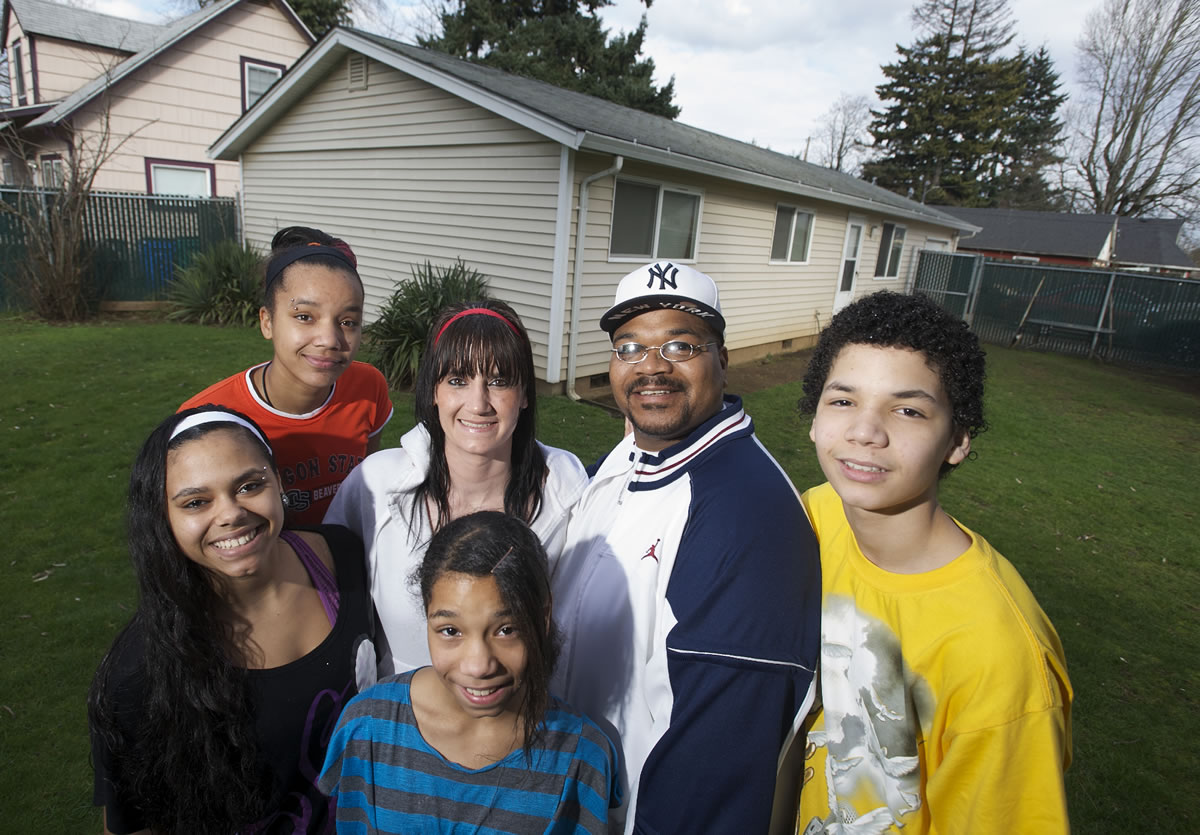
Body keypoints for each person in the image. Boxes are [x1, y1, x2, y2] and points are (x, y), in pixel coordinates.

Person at [551, 261, 821, 833]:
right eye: (630, 347)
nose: (652, 367)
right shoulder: (621, 464)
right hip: (571, 800)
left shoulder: (745, 514)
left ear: (720, 358)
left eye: (679, 344)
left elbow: (716, 767)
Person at [795, 290, 1072, 834]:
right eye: (844, 400)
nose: (865, 432)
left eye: (908, 410)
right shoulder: (815, 518)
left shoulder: (999, 660)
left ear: (959, 439)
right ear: (814, 415)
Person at [88, 406, 378, 835]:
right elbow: (132, 825)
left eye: (249, 485)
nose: (230, 514)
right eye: (196, 502)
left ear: (279, 481)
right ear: (163, 517)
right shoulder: (139, 675)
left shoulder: (346, 556)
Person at [325, 299, 587, 674]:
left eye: (498, 381)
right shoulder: (375, 486)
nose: (478, 403)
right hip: (401, 718)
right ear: (433, 391)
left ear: (525, 395)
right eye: (458, 380)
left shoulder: (566, 493)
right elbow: (329, 598)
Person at [319, 510, 621, 833]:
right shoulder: (366, 727)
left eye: (507, 629)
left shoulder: (584, 759)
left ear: (543, 616)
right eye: (451, 631)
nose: (478, 666)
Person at [180, 226, 393, 525]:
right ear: (267, 322)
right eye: (305, 317)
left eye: (348, 321)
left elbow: (365, 484)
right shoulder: (209, 419)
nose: (329, 339)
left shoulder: (368, 387)